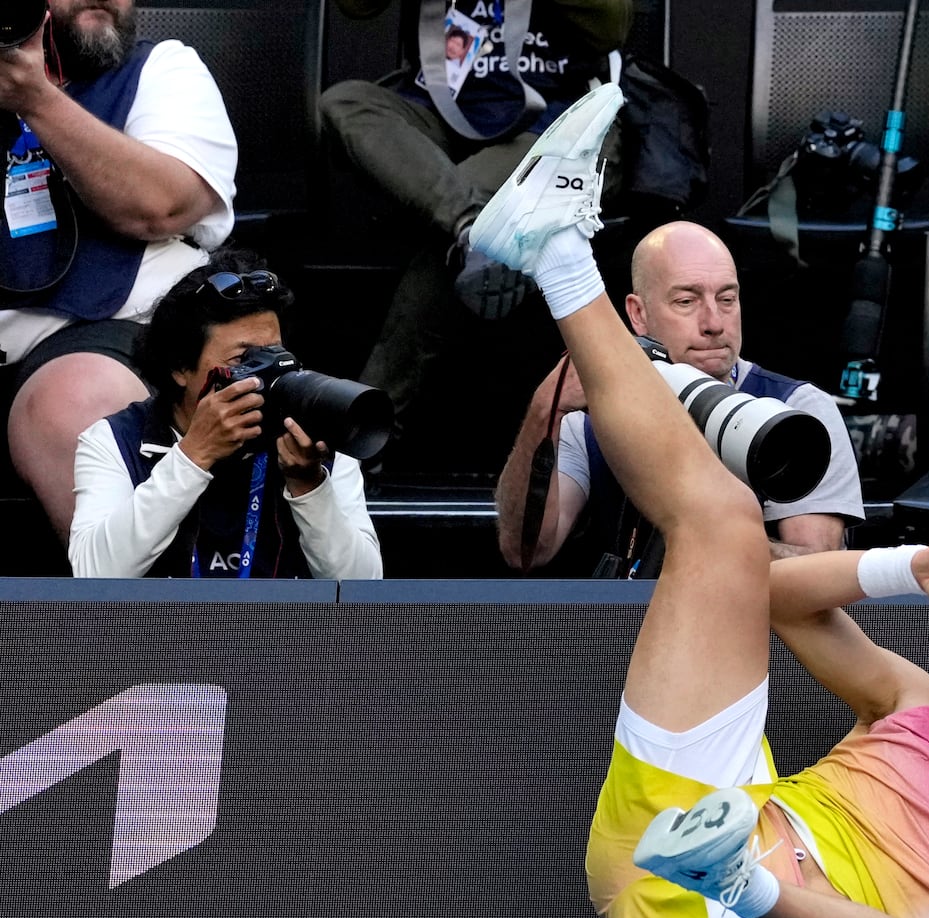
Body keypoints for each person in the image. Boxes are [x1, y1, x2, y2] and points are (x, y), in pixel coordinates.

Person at [469, 83, 929, 918]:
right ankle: (557, 254)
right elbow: (770, 595)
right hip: (686, 831)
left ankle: (738, 878)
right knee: (727, 524)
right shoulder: (910, 703)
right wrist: (909, 565)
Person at [318, 0, 632, 464]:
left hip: (553, 127)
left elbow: (611, 25)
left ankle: (367, 425)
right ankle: (472, 224)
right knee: (343, 101)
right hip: (439, 112)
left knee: (454, 226)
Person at [495, 220, 865, 573]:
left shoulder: (798, 409)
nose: (714, 323)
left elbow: (817, 568)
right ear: (638, 315)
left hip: (753, 631)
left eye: (727, 299)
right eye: (686, 302)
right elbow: (526, 551)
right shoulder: (590, 420)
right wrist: (547, 409)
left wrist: (701, 530)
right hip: (628, 626)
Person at [0, 0, 238, 541]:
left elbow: (162, 205)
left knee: (73, 400)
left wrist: (34, 98)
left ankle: (145, 620)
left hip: (110, 334)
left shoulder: (163, 70)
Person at [67, 250, 382, 579]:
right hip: (162, 630)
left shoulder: (316, 438)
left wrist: (310, 486)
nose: (269, 374)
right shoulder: (114, 441)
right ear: (180, 366)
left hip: (283, 630)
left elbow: (362, 590)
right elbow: (95, 576)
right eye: (245, 358)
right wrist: (192, 457)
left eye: (273, 353)